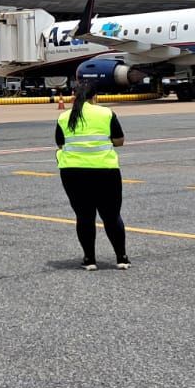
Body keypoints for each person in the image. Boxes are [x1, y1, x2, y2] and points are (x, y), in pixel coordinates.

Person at [54, 82, 129, 270]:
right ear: (95, 97)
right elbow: (119, 141)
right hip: (104, 170)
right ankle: (121, 257)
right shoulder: (106, 113)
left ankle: (89, 259)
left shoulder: (64, 117)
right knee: (111, 215)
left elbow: (60, 144)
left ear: (74, 96)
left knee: (84, 216)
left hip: (73, 172)